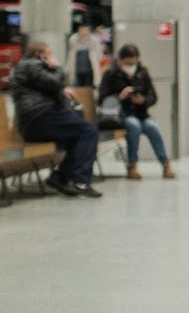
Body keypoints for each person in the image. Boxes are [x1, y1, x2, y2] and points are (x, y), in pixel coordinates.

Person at [11, 40, 102, 199]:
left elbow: (50, 86)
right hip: (39, 117)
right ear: (41, 55)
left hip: (39, 119)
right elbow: (53, 83)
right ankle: (80, 181)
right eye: (50, 54)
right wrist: (57, 67)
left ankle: (59, 177)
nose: (53, 57)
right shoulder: (31, 65)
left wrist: (62, 90)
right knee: (89, 131)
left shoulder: (30, 67)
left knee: (78, 135)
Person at [98, 44, 174, 180]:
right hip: (122, 114)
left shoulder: (142, 72)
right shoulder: (110, 74)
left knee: (152, 127)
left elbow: (153, 96)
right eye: (128, 63)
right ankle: (132, 165)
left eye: (134, 62)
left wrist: (143, 100)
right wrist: (119, 96)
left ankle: (165, 163)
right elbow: (102, 98)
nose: (131, 65)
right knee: (134, 126)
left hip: (142, 113)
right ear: (120, 61)